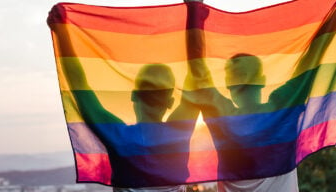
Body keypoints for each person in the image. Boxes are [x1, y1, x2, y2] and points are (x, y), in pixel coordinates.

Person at [183, 4, 336, 192]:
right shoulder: (282, 108)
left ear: (229, 85)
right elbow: (313, 54)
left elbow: (197, 68)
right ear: (262, 80)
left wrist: (193, 12)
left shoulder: (222, 115)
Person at [50, 16, 200, 191]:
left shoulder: (118, 136)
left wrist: (62, 32)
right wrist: (195, 17)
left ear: (134, 96)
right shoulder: (179, 132)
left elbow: (79, 86)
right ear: (170, 101)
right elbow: (197, 74)